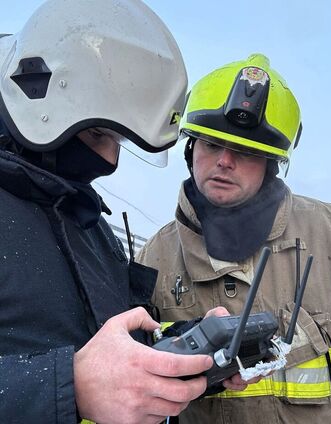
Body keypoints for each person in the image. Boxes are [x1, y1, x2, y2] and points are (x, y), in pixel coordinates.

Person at [0, 1, 250, 422]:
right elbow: (87, 378)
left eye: (118, 139)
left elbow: (114, 355)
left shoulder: (90, 225)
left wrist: (189, 350)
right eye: (99, 133)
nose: (111, 160)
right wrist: (71, 385)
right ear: (37, 94)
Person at [137, 53, 331, 424]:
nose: (224, 161)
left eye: (244, 151)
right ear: (190, 149)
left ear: (271, 164)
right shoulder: (153, 262)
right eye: (210, 143)